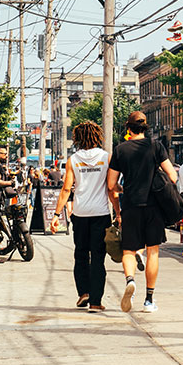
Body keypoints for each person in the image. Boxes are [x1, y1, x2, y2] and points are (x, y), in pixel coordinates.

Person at [107, 111, 178, 314]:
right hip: (153, 205)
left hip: (130, 205)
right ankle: (149, 299)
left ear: (128, 128)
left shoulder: (120, 150)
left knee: (129, 250)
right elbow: (173, 176)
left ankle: (130, 280)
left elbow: (112, 184)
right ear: (145, 127)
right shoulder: (156, 146)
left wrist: (124, 189)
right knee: (152, 250)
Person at [51, 122, 118, 312]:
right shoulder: (106, 158)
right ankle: (96, 302)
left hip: (80, 213)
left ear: (78, 138)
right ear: (98, 136)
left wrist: (57, 214)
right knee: (98, 257)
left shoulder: (73, 160)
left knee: (81, 254)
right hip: (101, 213)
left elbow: (66, 189)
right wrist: (119, 212)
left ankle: (84, 293)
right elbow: (111, 188)